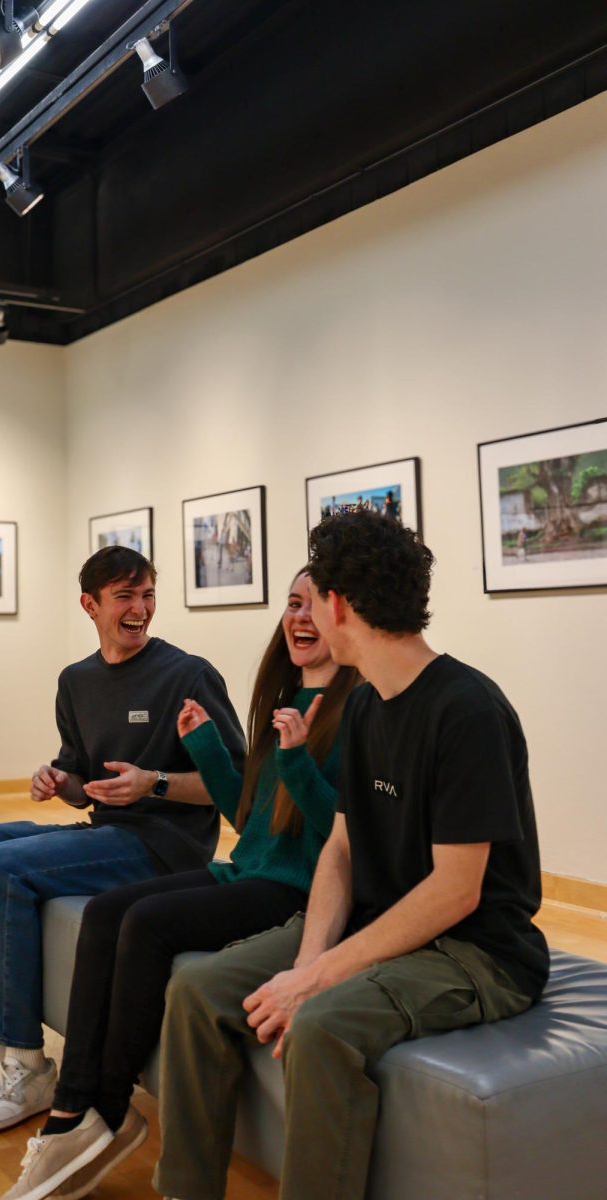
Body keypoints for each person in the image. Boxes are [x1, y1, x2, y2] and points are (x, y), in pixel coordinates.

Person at [153, 509, 550, 1200]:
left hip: (479, 952)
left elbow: (457, 891)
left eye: (313, 599)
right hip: (382, 927)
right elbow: (340, 847)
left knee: (323, 1024)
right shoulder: (367, 706)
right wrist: (310, 961)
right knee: (195, 991)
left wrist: (320, 982)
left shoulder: (467, 710)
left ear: (337, 605)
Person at [0, 568, 360, 1200]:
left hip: (296, 889)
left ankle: (107, 1110)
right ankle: (71, 1104)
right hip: (246, 868)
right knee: (107, 912)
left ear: (344, 620)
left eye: (317, 607)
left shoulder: (355, 709)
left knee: (146, 923)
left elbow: (335, 833)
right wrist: (208, 751)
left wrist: (298, 761)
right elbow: (250, 817)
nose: (302, 619)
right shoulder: (284, 696)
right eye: (294, 603)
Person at [0, 545, 245, 1136]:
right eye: (125, 597)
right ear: (91, 604)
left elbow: (234, 783)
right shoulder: (76, 681)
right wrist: (59, 781)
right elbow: (82, 779)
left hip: (165, 846)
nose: (141, 609)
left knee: (2, 868)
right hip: (108, 830)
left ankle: (25, 1065)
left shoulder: (188, 673)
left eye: (148, 595)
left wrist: (151, 785)